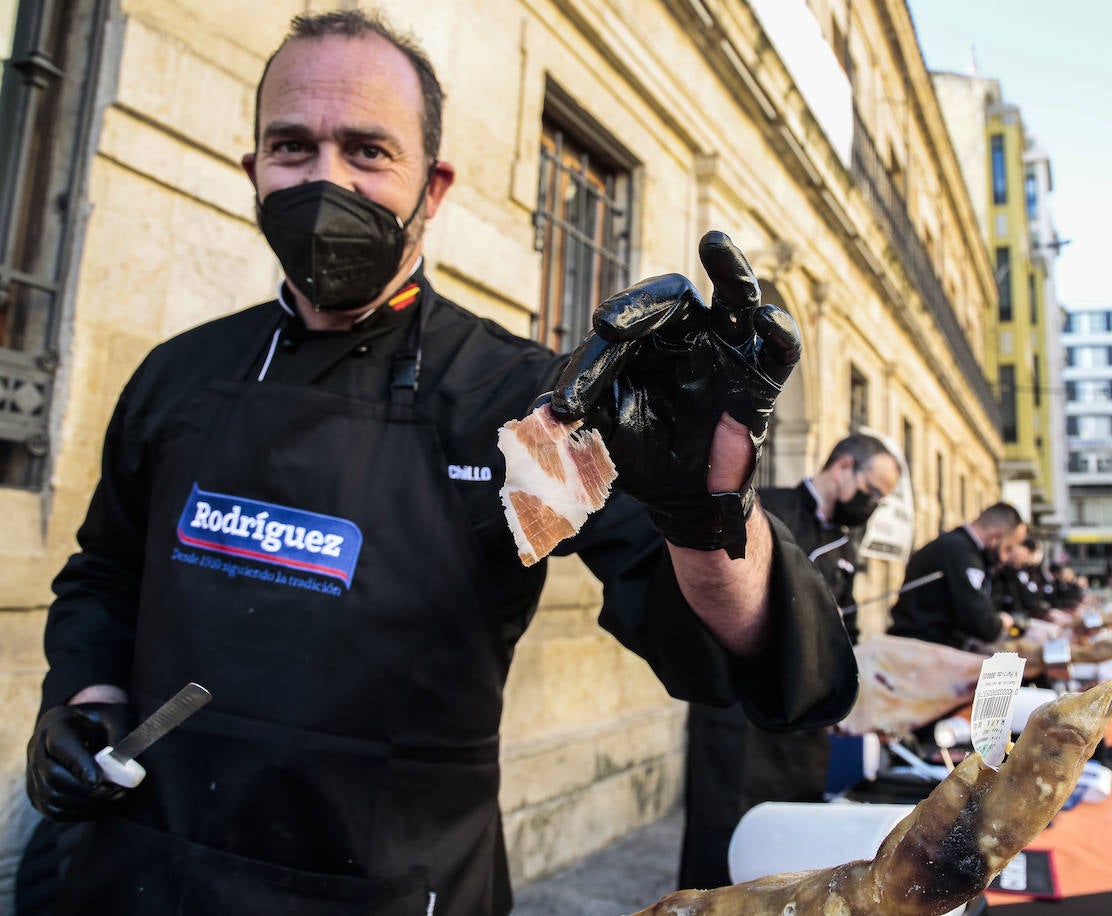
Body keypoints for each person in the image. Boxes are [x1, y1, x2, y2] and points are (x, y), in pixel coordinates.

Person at [22, 13, 858, 916]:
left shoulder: (534, 404)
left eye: (368, 151)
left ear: (436, 184)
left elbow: (749, 655)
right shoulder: (176, 376)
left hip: (389, 888)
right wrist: (85, 700)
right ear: (253, 169)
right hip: (143, 874)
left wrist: (701, 516)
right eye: (292, 146)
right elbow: (103, 575)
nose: (325, 178)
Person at [677, 434, 901, 890]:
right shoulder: (763, 508)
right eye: (872, 492)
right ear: (843, 467)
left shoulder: (845, 545)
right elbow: (715, 598)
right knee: (724, 838)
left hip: (803, 722)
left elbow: (849, 629)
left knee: (790, 847)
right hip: (740, 714)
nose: (871, 505)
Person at [888, 502, 1025, 649]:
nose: (1005, 558)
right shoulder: (962, 553)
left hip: (923, 645)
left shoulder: (956, 546)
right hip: (922, 650)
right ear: (996, 536)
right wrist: (1001, 623)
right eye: (1008, 548)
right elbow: (980, 621)